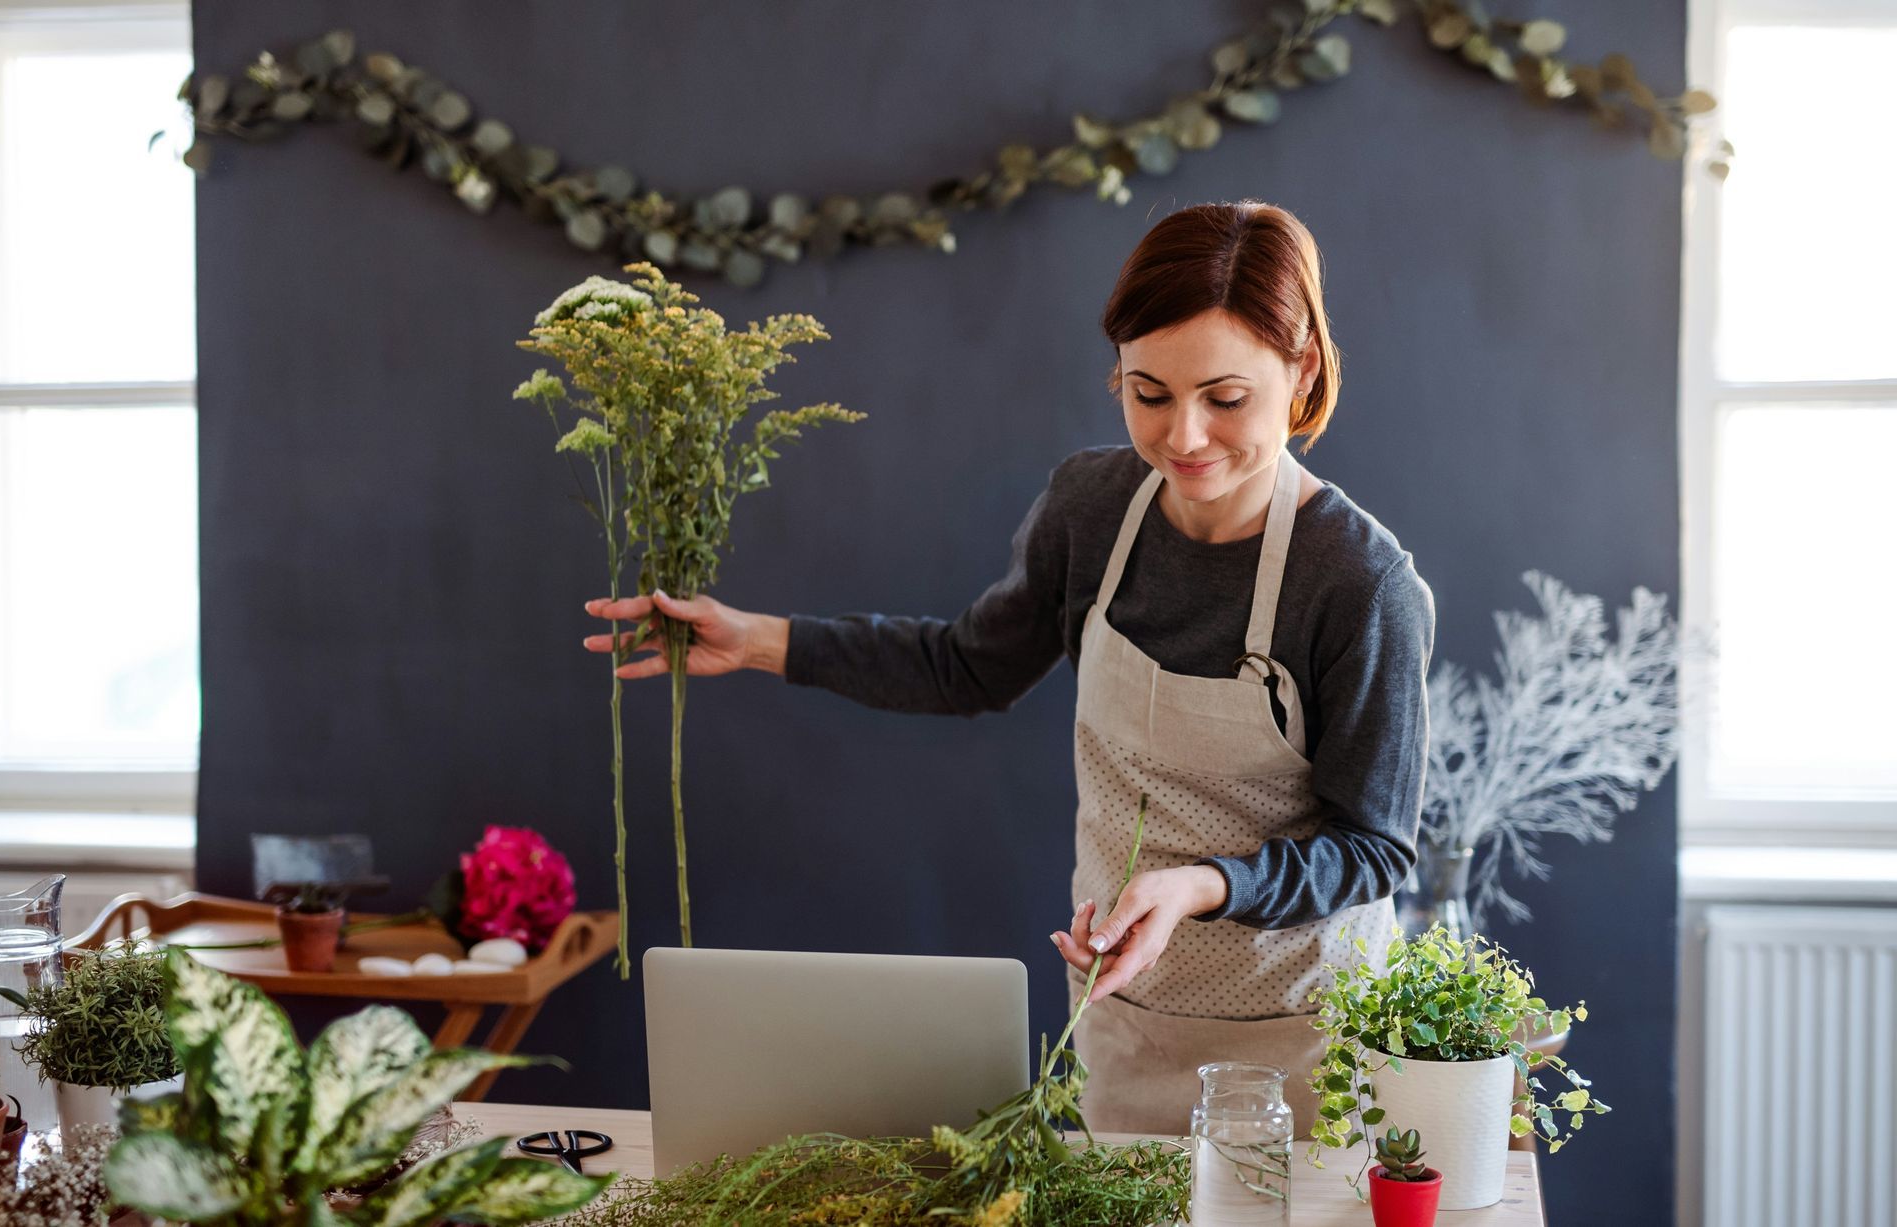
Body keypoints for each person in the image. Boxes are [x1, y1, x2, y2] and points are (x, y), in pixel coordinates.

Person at [583, 200, 1433, 1137]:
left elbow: (1375, 846)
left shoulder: (1359, 581)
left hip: (1306, 1045)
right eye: (1149, 393)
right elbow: (965, 667)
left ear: (1301, 367)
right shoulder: (1092, 509)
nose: (1185, 436)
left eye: (1225, 398)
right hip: (1125, 1022)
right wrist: (756, 639)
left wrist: (1201, 884)